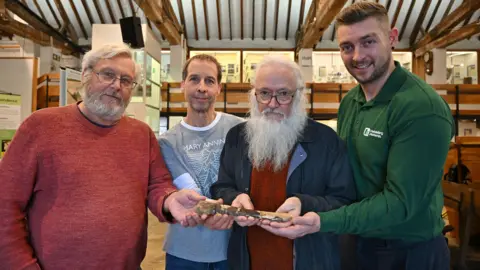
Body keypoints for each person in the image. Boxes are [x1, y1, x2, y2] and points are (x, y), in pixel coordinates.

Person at [264, 2, 454, 270]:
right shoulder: (351, 101)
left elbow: (400, 204)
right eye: (347, 47)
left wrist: (323, 220)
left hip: (408, 251)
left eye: (368, 42)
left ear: (392, 38)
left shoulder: (421, 108)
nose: (357, 56)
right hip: (360, 241)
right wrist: (303, 202)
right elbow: (346, 178)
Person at [0, 43, 206, 269]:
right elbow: (5, 205)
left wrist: (170, 200)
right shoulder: (40, 127)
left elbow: (157, 184)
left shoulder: (141, 135)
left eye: (126, 80)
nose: (116, 85)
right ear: (86, 76)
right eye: (107, 74)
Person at [210, 56, 356, 270]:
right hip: (247, 259)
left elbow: (344, 201)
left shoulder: (326, 141)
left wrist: (304, 204)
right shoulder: (237, 138)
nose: (272, 103)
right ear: (254, 95)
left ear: (298, 96)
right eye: (265, 93)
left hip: (309, 260)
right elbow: (221, 187)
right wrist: (235, 198)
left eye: (283, 94)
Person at [159, 54, 244, 269]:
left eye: (209, 81)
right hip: (184, 252)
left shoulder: (239, 130)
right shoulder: (167, 142)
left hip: (232, 250)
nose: (202, 87)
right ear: (183, 85)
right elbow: (186, 188)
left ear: (219, 88)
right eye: (194, 79)